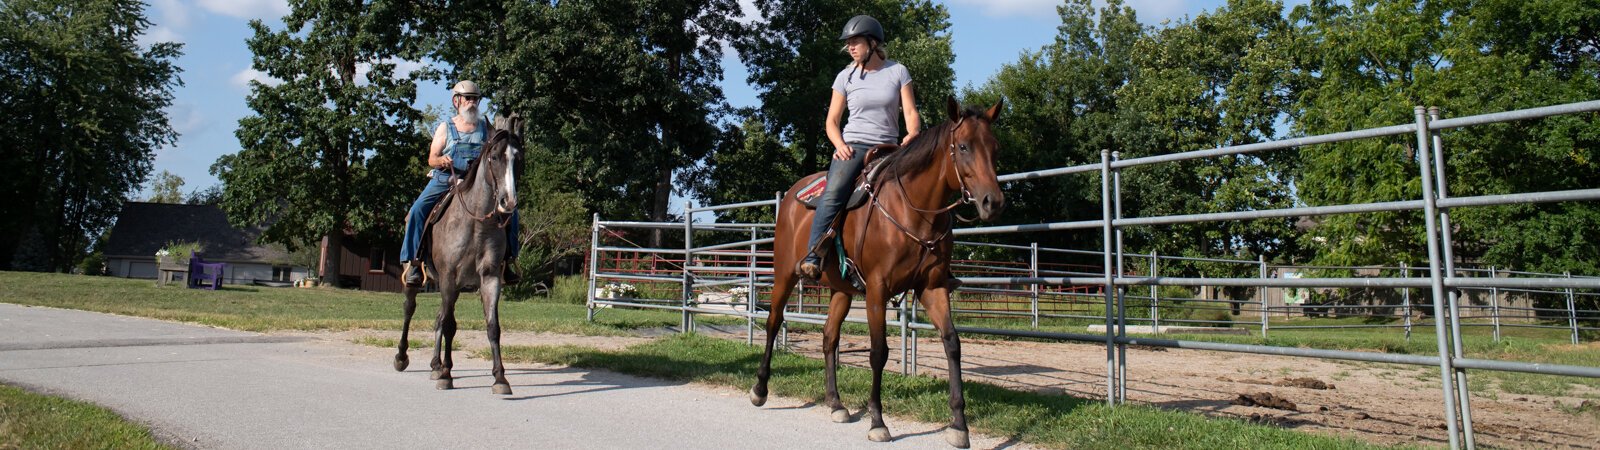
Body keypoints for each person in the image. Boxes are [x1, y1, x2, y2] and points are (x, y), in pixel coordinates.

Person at [798, 15, 921, 280]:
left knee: (924, 186)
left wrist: (913, 133)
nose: (850, 47)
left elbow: (910, 111)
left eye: (855, 42)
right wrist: (839, 144)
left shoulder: (897, 71)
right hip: (852, 147)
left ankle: (934, 263)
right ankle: (813, 256)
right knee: (834, 192)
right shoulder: (845, 77)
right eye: (848, 43)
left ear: (873, 43)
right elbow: (831, 121)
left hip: (889, 148)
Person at [400, 81, 520, 287]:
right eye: (468, 98)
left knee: (512, 211)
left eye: (475, 98)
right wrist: (441, 161)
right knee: (418, 209)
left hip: (477, 185)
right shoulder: (446, 127)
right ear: (456, 101)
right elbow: (432, 158)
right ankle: (414, 262)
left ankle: (508, 261)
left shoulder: (486, 129)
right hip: (446, 180)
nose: (472, 103)